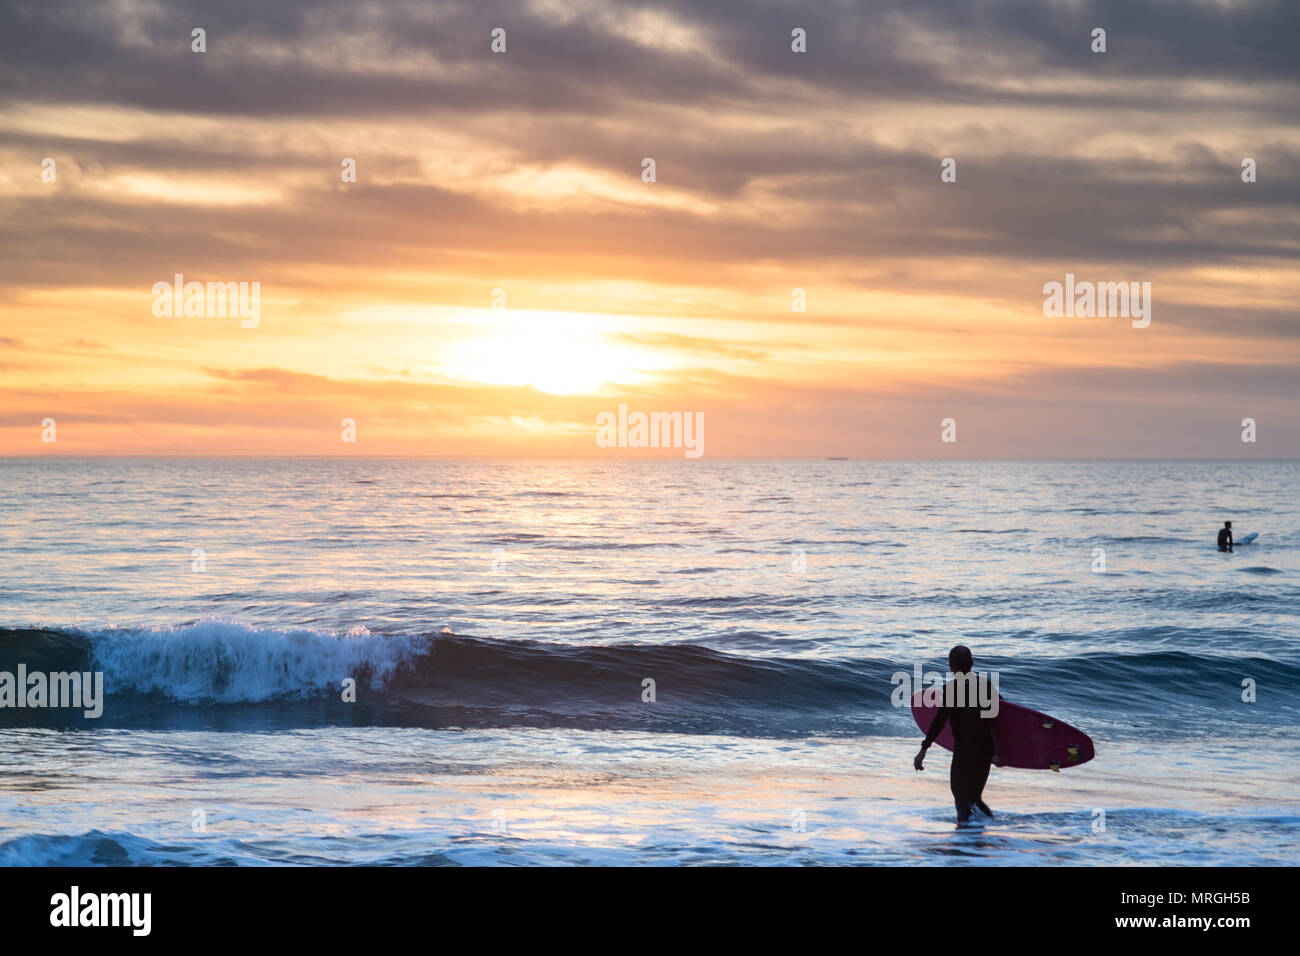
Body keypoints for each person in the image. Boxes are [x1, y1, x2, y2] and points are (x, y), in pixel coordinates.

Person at [913, 645, 1000, 824]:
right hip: (985, 749)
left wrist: (924, 749)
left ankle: (964, 845)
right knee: (975, 798)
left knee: (961, 801)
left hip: (965, 749)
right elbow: (1001, 718)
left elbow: (940, 720)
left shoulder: (952, 689)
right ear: (972, 663)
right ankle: (988, 830)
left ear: (950, 666)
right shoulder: (986, 686)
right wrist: (999, 752)